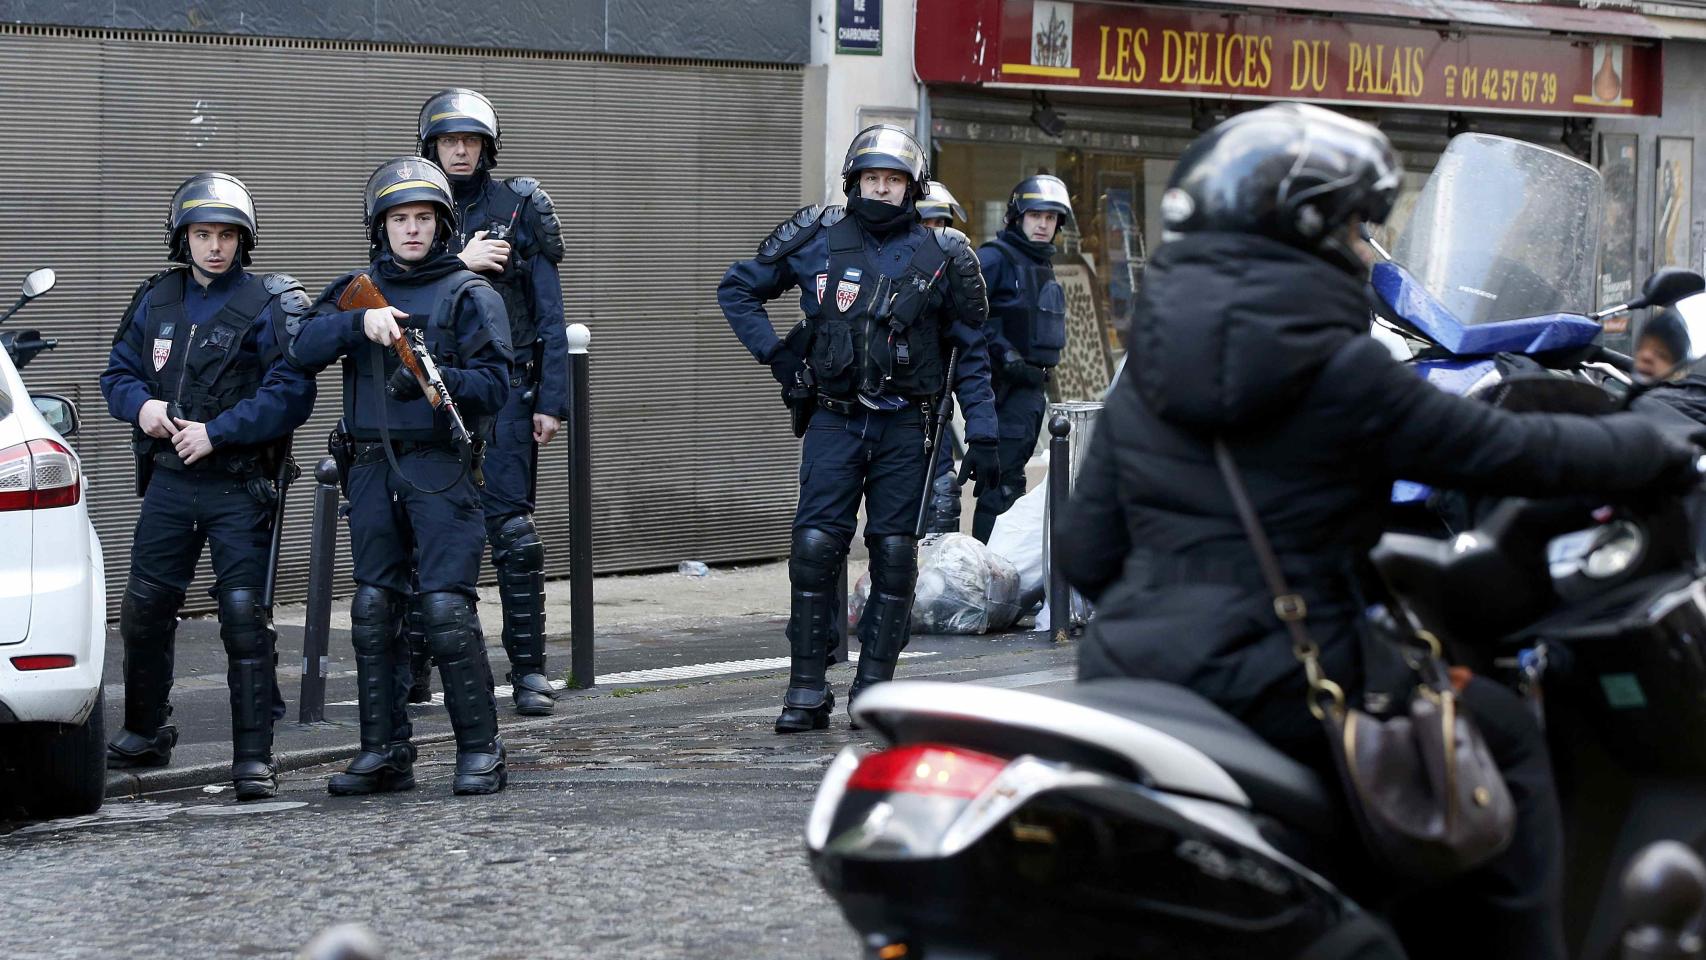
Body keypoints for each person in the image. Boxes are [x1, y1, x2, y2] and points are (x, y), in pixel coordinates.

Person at [1059, 102, 1706, 960]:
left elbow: (1087, 554)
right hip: (1285, 673)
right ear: (1313, 234)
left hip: (1127, 667)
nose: (1370, 250)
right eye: (1360, 228)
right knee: (1502, 733)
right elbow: (1505, 450)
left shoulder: (1149, 367)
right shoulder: (1336, 363)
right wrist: (1653, 444)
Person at [719, 124, 1000, 732]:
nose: (880, 189)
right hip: (834, 419)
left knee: (896, 555)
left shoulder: (945, 255)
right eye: (871, 178)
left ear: (912, 188)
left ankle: (873, 694)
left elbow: (971, 352)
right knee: (816, 548)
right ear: (853, 181)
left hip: (909, 427)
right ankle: (805, 689)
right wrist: (778, 355)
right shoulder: (817, 235)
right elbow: (738, 288)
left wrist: (985, 432)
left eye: (893, 180)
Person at [286, 157, 513, 796]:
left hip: (440, 465)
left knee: (443, 607)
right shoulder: (357, 289)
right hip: (368, 464)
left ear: (441, 225)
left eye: (421, 218)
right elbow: (297, 347)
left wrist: (431, 379)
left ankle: (481, 750)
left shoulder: (470, 294)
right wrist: (359, 322)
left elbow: (496, 387)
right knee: (372, 607)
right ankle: (383, 751)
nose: (410, 231)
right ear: (379, 227)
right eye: (398, 220)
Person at [100, 172, 316, 800]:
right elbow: (119, 371)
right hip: (169, 482)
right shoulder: (156, 298)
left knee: (244, 617)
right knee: (143, 609)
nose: (214, 246)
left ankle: (254, 758)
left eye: (226, 234)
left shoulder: (270, 300)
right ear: (182, 238)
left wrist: (218, 432)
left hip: (237, 486)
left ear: (243, 240)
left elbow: (291, 393)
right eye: (202, 234)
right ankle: (146, 731)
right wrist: (140, 407)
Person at [400, 88, 568, 716]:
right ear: (432, 147)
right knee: (421, 535)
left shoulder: (519, 206)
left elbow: (550, 314)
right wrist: (458, 260)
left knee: (514, 535)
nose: (460, 150)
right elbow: (388, 286)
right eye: (449, 140)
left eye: (470, 140)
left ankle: (529, 672)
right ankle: (414, 672)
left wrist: (552, 400)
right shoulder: (412, 203)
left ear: (487, 146)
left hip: (508, 393)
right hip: (428, 395)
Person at [930, 175, 1073, 540]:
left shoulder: (1040, 261)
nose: (1043, 225)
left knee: (1010, 482)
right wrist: (1004, 354)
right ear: (1016, 217)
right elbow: (967, 318)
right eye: (1035, 215)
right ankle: (984, 576)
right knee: (1001, 490)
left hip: (1030, 390)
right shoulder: (994, 259)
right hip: (1001, 390)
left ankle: (1000, 575)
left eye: (1051, 218)